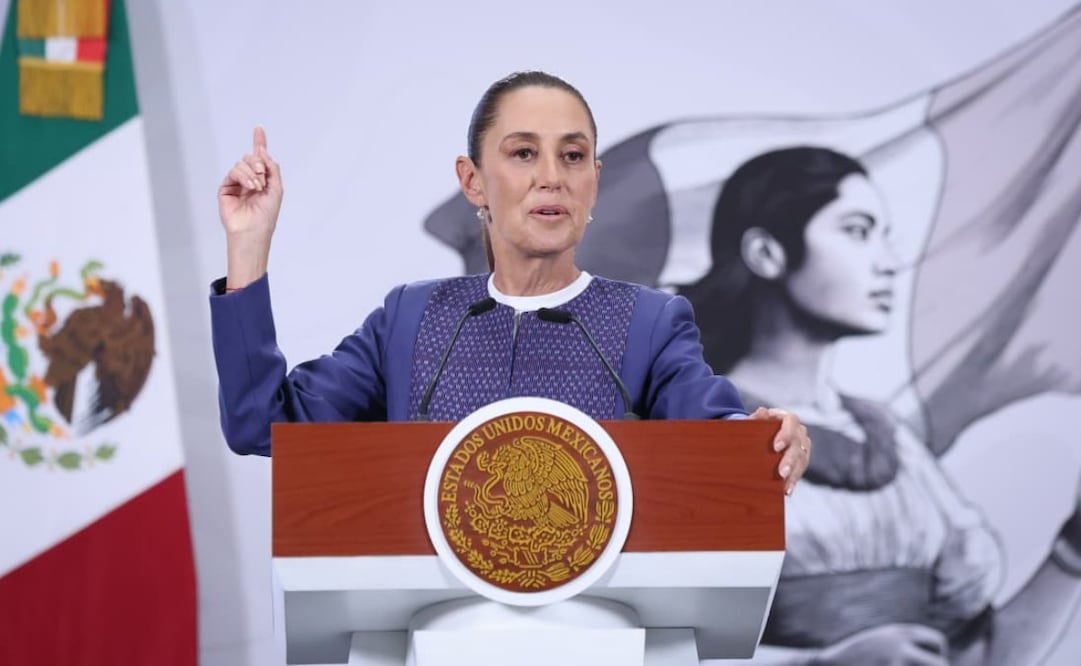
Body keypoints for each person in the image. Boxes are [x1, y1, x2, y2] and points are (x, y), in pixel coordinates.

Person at [208, 71, 812, 496]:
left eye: (573, 157)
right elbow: (261, 423)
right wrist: (248, 245)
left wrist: (764, 440)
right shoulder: (410, 320)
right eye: (523, 153)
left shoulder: (650, 324)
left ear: (594, 181)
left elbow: (719, 441)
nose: (551, 177)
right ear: (472, 181)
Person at [680, 146, 1081, 665]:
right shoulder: (694, 429)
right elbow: (649, 648)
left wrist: (1073, 550)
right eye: (858, 230)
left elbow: (978, 657)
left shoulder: (890, 439)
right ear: (767, 254)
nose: (889, 262)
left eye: (885, 235)